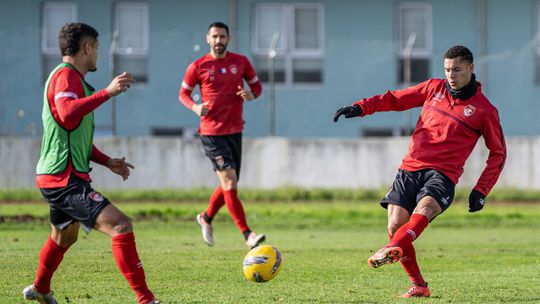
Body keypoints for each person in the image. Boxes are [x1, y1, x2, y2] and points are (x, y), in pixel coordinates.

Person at [334, 45, 506, 298]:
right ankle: (419, 286)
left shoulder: (484, 110)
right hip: (409, 168)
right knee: (395, 226)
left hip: (442, 175)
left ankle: (389, 249)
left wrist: (481, 190)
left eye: (457, 69)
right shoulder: (432, 88)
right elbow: (395, 99)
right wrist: (361, 107)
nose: (451, 75)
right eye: (447, 69)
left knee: (423, 210)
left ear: (471, 68)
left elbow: (498, 153)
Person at [23, 23, 159, 304]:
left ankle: (40, 288)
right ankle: (146, 300)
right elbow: (67, 113)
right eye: (96, 47)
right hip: (63, 178)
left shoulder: (75, 81)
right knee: (120, 225)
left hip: (59, 174)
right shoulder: (66, 76)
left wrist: (106, 161)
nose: (97, 53)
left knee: (64, 237)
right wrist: (107, 93)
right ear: (87, 48)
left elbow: (73, 135)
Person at [179, 22, 265, 249]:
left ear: (228, 39)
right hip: (211, 133)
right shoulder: (198, 66)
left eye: (222, 37)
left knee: (230, 183)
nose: (219, 41)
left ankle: (206, 217)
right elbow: (183, 94)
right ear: (208, 38)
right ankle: (248, 235)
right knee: (229, 181)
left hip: (235, 131)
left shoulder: (241, 62)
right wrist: (196, 108)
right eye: (215, 36)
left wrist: (250, 94)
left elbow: (258, 87)